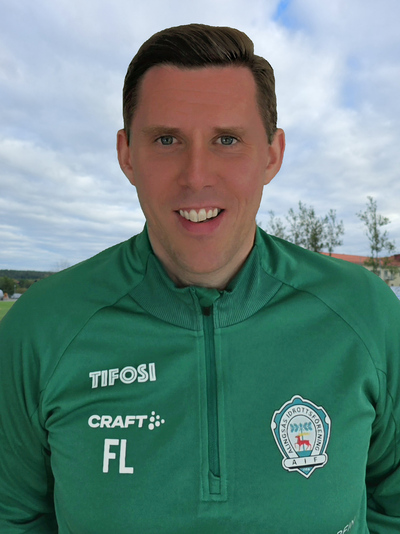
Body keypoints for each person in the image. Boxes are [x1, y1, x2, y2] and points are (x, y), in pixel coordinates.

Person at [0, 23, 399, 534]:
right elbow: (13, 517)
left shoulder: (365, 313)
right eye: (166, 139)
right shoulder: (41, 328)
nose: (196, 175)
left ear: (272, 154)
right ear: (127, 154)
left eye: (227, 140)